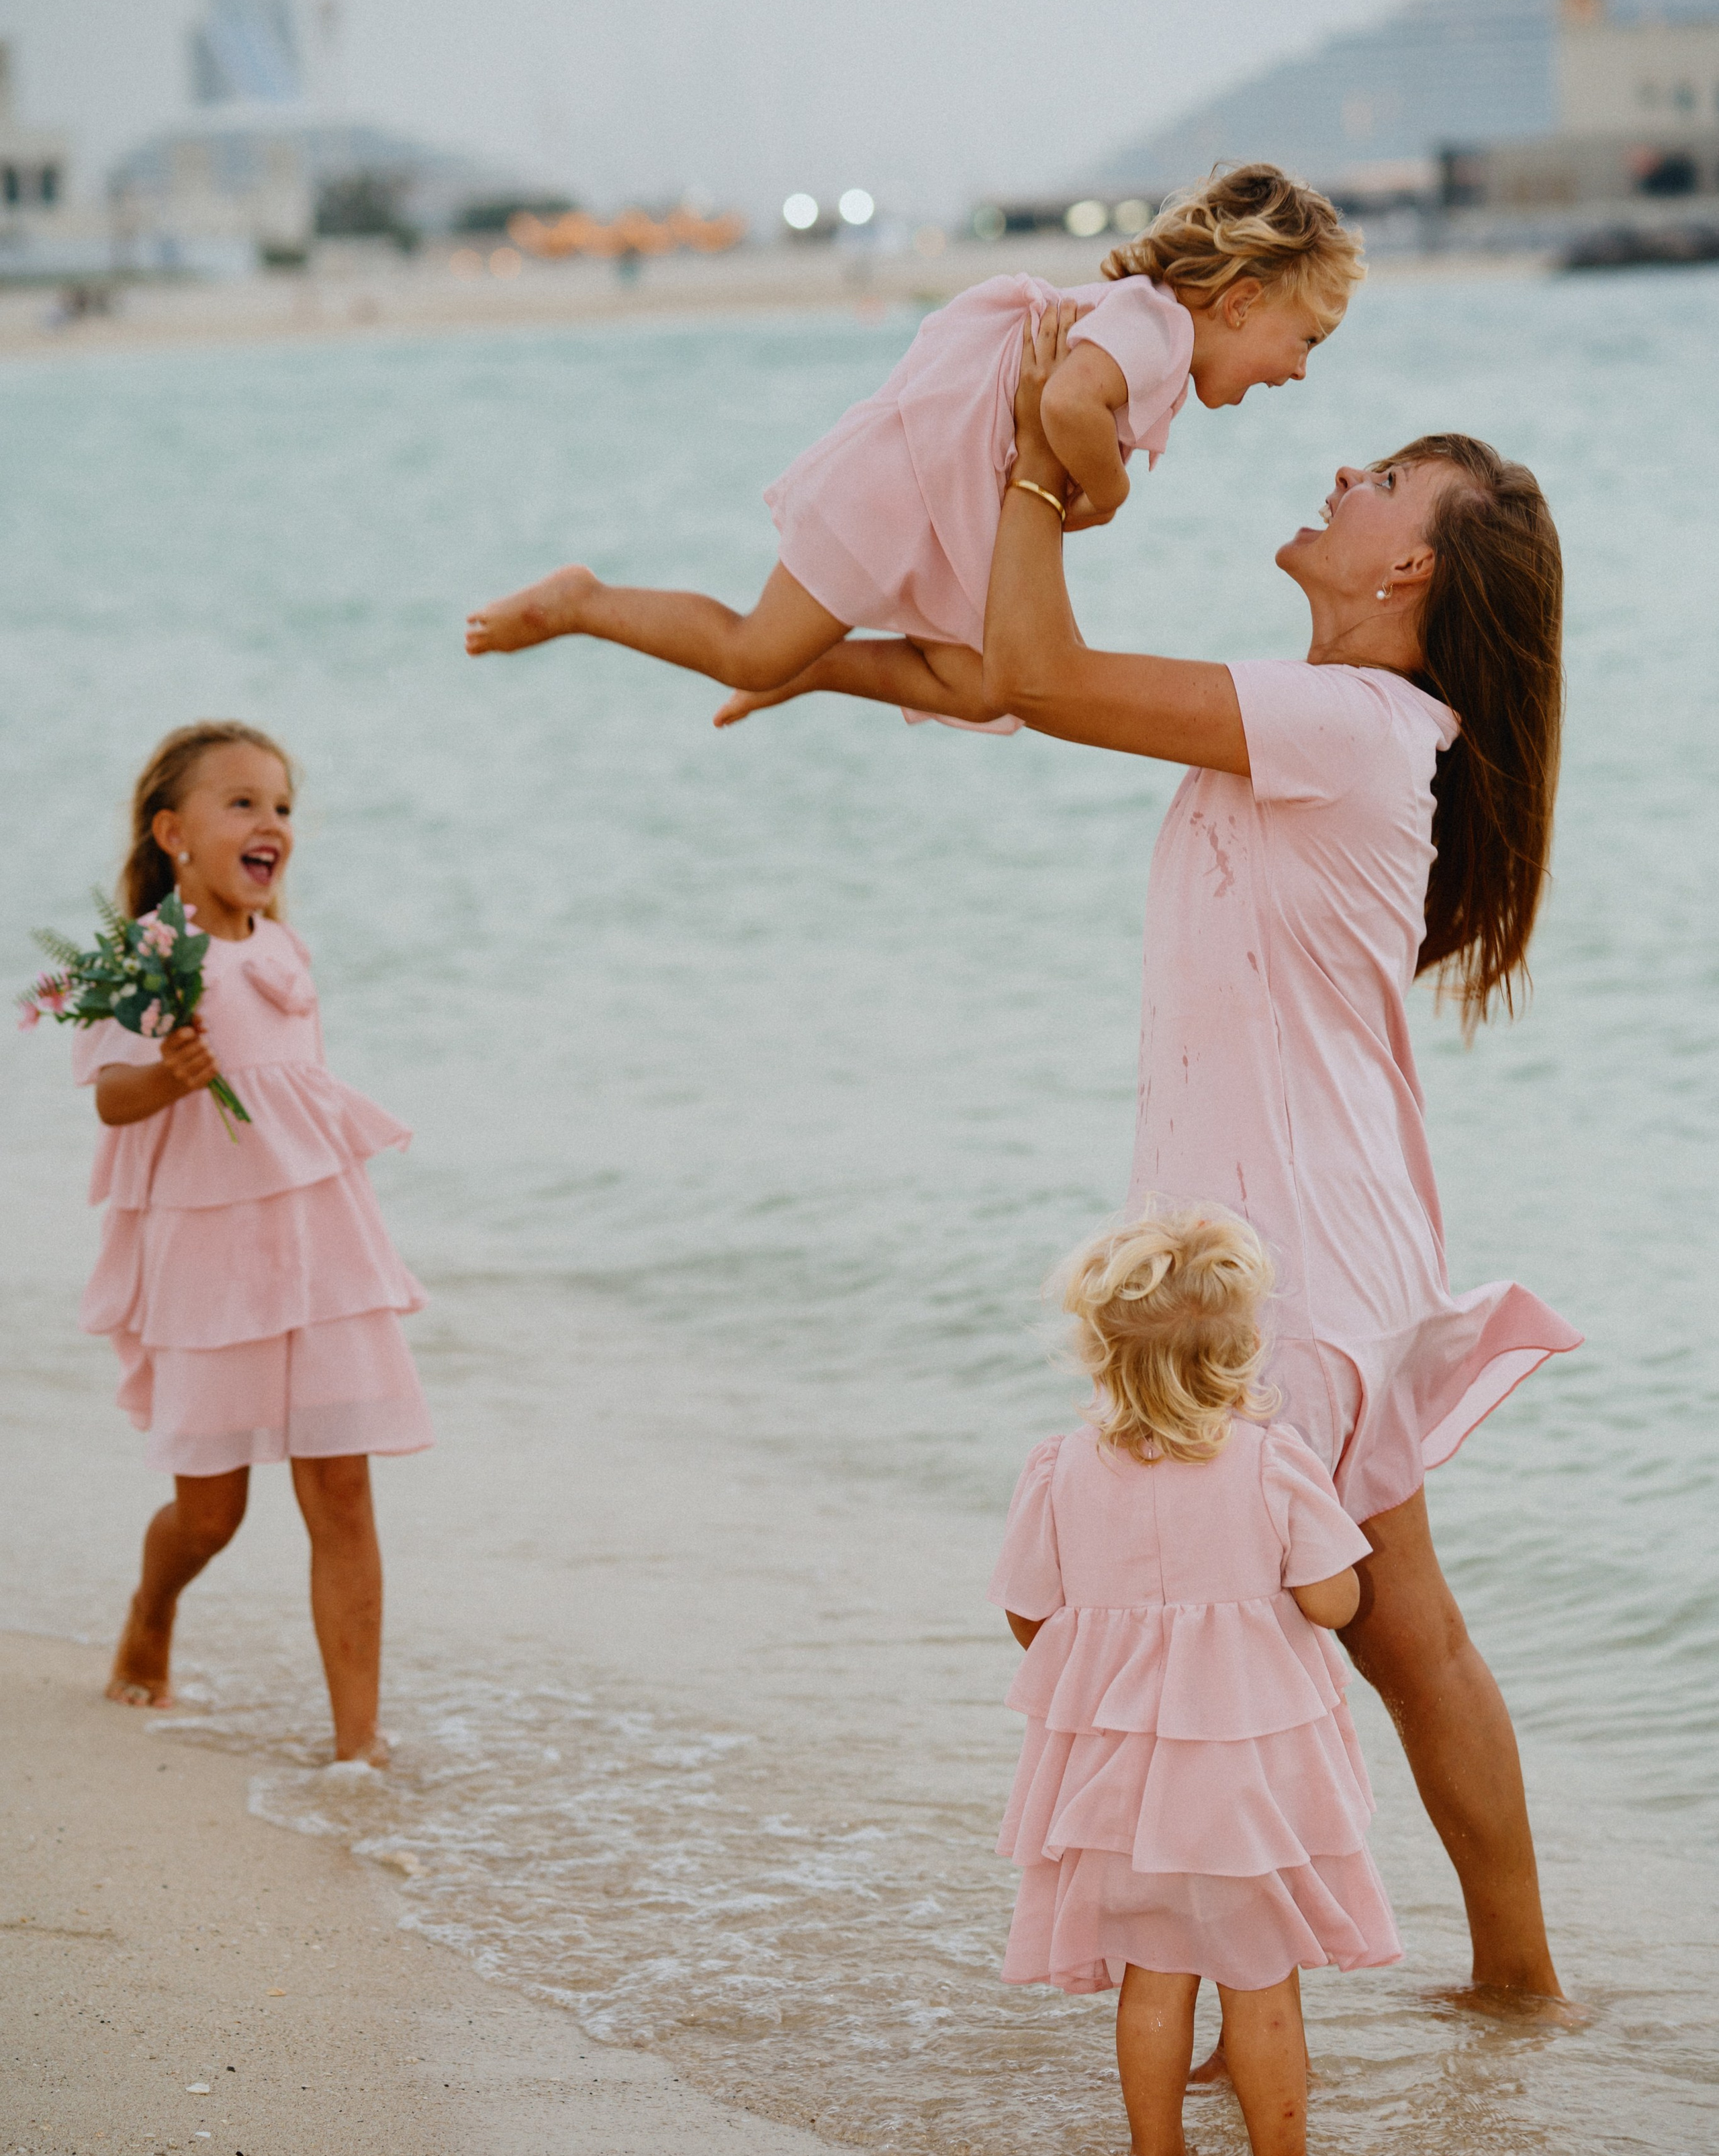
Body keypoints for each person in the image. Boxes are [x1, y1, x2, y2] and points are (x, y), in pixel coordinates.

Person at [721, 309, 1582, 2007]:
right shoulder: (1345, 721)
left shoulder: (1346, 723)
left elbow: (1033, 676)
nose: (1344, 471)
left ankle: (1225, 2041)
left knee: (1210, 1631)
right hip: (1318, 1236)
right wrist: (802, 648)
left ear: (1411, 570)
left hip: (1282, 1270)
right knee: (1397, 1625)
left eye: (1385, 477)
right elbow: (1006, 682)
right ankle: (1514, 1991)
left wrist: (1046, 459)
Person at [463, 165, 1364, 731]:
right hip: (899, 495)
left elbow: (1052, 445)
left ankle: (810, 667)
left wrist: (1082, 494)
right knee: (748, 652)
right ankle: (582, 602)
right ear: (1241, 302)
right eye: (1306, 339)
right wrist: (1112, 492)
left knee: (988, 690)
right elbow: (1065, 399)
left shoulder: (1155, 341)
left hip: (942, 504)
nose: (1300, 371)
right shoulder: (1158, 331)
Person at [993, 1204, 1398, 2156]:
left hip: (1121, 1794)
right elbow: (1335, 1601)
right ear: (1242, 1354)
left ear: (1098, 1351)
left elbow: (1027, 1616)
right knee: (1262, 1984)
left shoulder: (1059, 1473)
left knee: (1155, 1978)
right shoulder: (1271, 1464)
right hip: (1247, 1788)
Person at [76, 721, 431, 1766]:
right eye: (242, 804)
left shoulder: (284, 946)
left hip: (318, 1242)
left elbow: (297, 1096)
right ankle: (152, 1609)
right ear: (173, 833)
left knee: (341, 1489)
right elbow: (110, 1100)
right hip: (209, 1253)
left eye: (280, 806)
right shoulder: (146, 955)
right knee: (212, 1513)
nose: (270, 822)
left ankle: (356, 1750)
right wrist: (168, 1076)